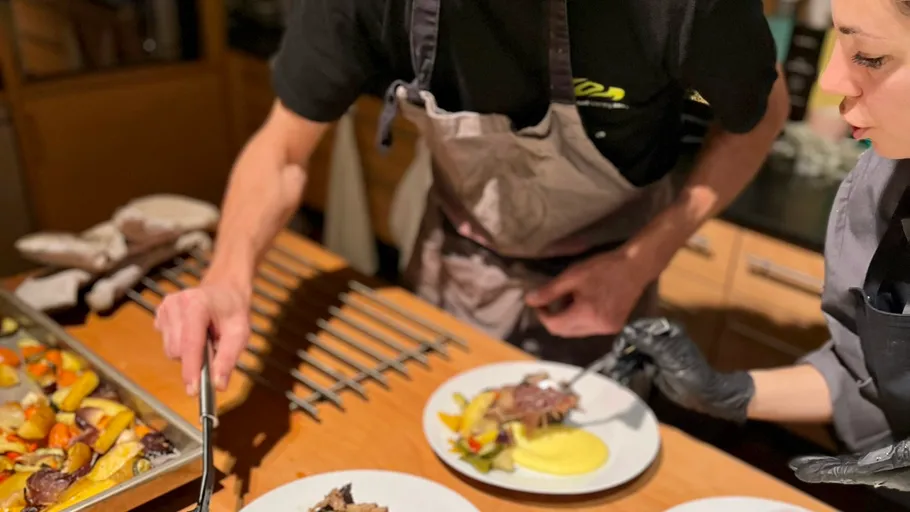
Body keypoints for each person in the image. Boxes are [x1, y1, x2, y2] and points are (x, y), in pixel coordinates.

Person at [153, 0, 789, 396]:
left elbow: (761, 114)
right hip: (449, 264)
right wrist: (228, 278)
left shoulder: (680, 7)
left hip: (615, 277)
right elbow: (282, 150)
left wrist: (644, 261)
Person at [617, 0, 910, 491]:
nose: (833, 80)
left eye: (870, 57)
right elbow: (865, 380)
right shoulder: (882, 187)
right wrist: (726, 393)